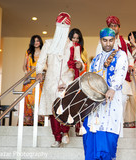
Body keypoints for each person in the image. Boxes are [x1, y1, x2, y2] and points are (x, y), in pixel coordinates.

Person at [36, 12, 84, 147]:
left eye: (65, 27)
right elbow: (40, 61)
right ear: (57, 27)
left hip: (67, 82)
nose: (63, 30)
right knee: (53, 112)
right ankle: (57, 138)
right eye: (60, 26)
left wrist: (80, 65)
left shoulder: (74, 46)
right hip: (51, 82)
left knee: (65, 107)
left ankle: (65, 132)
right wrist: (39, 72)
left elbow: (80, 62)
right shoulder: (48, 43)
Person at [83, 28, 128, 160]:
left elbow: (121, 72)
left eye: (110, 40)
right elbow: (88, 79)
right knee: (91, 135)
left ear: (114, 40)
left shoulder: (121, 55)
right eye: (105, 40)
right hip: (95, 105)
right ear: (100, 41)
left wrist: (113, 88)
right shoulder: (96, 60)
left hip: (111, 103)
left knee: (108, 137)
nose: (108, 43)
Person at [96, 16, 134, 133]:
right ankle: (107, 131)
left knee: (120, 106)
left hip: (123, 82)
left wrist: (131, 65)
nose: (113, 28)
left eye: (115, 26)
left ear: (119, 27)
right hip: (107, 81)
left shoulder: (125, 43)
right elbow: (98, 59)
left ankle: (118, 133)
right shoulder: (102, 43)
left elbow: (129, 58)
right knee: (106, 108)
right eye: (111, 26)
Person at [68, 28, 88, 135]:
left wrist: (81, 66)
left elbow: (83, 64)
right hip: (66, 78)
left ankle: (78, 128)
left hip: (77, 78)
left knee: (77, 103)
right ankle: (65, 129)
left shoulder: (81, 49)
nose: (75, 40)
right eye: (73, 38)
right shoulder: (65, 48)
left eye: (77, 38)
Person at [22, 35, 44, 126]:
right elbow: (24, 66)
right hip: (30, 78)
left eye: (38, 41)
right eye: (34, 41)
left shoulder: (43, 52)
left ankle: (39, 121)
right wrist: (28, 72)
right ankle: (28, 121)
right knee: (28, 100)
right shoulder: (28, 52)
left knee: (39, 99)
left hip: (40, 78)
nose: (36, 42)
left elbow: (47, 64)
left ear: (40, 42)